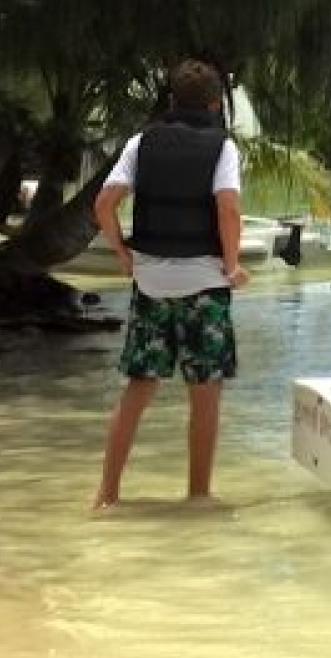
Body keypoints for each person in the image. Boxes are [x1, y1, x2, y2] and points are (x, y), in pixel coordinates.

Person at [92, 59, 251, 509]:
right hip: (204, 285)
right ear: (216, 103)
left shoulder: (141, 143)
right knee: (205, 391)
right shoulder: (223, 149)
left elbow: (104, 204)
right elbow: (228, 209)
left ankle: (107, 495)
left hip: (151, 283)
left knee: (139, 387)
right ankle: (198, 495)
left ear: (171, 101)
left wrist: (124, 256)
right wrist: (233, 265)